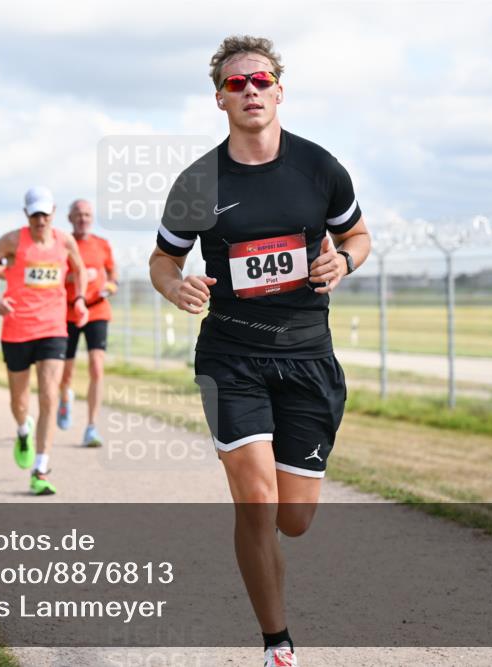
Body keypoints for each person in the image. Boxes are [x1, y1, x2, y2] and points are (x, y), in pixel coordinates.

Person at [148, 36, 371, 667]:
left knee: (293, 518)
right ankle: (278, 644)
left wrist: (344, 259)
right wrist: (176, 286)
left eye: (261, 80)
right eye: (237, 82)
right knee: (255, 499)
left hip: (308, 357)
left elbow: (357, 233)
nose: (250, 90)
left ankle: (270, 559)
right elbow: (163, 259)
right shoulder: (198, 182)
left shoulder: (320, 168)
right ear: (219, 97)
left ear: (279, 90)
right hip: (231, 358)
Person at [0, 186, 89, 496]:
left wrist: (79, 299)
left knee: (49, 393)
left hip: (53, 328)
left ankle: (41, 467)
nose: (40, 220)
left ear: (53, 213)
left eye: (45, 214)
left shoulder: (64, 240)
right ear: (26, 214)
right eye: (35, 214)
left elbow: (80, 270)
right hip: (17, 329)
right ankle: (23, 429)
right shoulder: (12, 241)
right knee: (19, 401)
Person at [56, 199, 118, 447]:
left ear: (92, 218)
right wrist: (76, 275)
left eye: (87, 214)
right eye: (78, 214)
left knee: (96, 366)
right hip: (68, 312)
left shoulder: (102, 244)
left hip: (96, 310)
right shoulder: (62, 244)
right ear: (70, 218)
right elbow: (55, 274)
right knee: (66, 371)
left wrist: (110, 286)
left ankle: (91, 427)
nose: (83, 218)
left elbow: (113, 273)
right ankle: (64, 397)